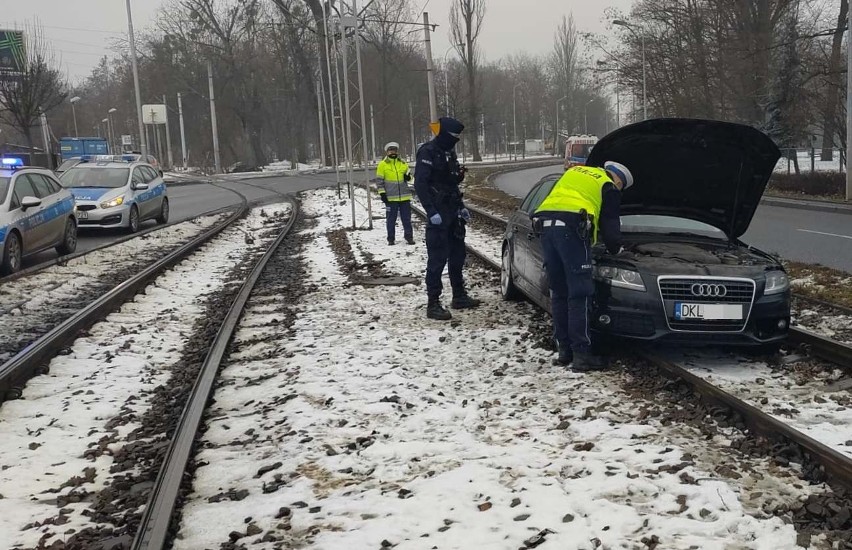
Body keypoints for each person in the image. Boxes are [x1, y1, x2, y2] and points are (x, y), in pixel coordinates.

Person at [532, 161, 634, 371]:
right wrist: (618, 249)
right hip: (570, 229)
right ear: (618, 180)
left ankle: (564, 350)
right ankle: (582, 355)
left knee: (559, 291)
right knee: (580, 293)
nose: (618, 190)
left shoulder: (577, 172)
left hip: (545, 226)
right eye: (621, 187)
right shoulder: (607, 185)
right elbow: (611, 225)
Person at [414, 116, 480, 320]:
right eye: (453, 136)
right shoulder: (428, 151)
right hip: (438, 212)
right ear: (443, 134)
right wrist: (430, 211)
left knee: (458, 256)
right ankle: (433, 303)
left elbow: (452, 183)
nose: (455, 141)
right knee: (437, 259)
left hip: (453, 211)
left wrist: (461, 207)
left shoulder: (449, 152)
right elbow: (420, 184)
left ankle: (459, 295)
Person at [376, 142, 414, 245]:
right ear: (387, 152)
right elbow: (379, 182)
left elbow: (411, 179)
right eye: (390, 150)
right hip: (391, 198)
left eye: (394, 150)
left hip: (404, 197)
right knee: (391, 220)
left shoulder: (403, 163)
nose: (393, 152)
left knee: (407, 219)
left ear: (397, 151)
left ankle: (409, 237)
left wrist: (408, 178)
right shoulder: (382, 165)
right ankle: (391, 239)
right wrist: (382, 194)